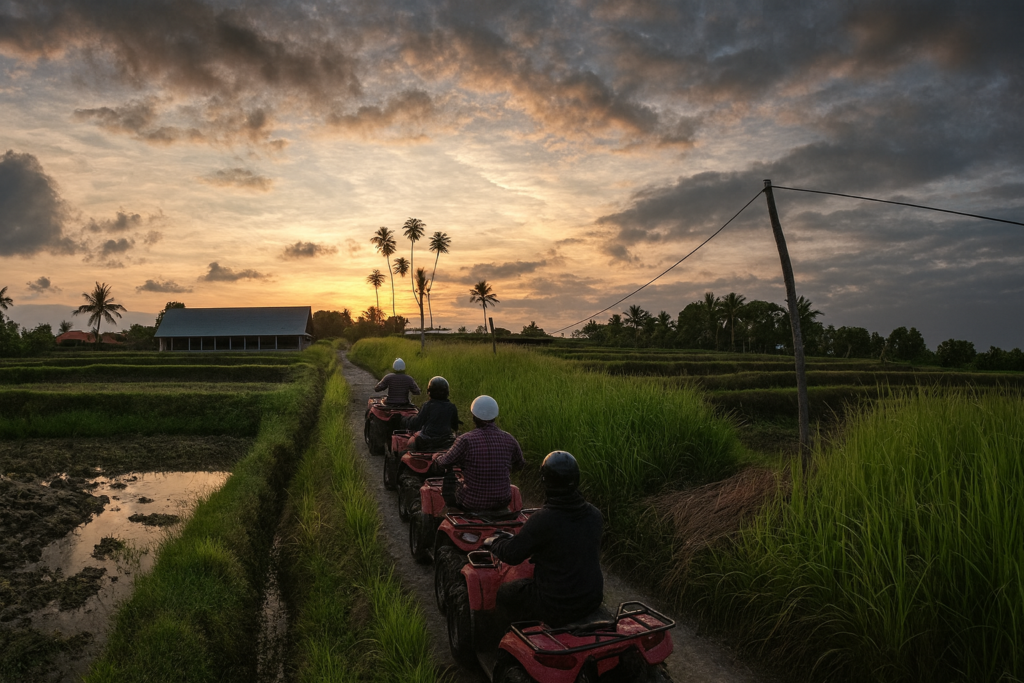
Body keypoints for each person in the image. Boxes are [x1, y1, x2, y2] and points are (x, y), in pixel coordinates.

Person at [485, 451, 604, 628]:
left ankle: (506, 641)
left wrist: (494, 542)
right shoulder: (595, 515)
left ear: (545, 482)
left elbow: (512, 555)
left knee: (505, 592)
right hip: (591, 599)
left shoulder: (542, 520)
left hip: (555, 605)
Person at [432, 395, 524, 511]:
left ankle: (447, 512)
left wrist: (437, 458)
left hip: (472, 503)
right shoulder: (509, 439)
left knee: (451, 489)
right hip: (503, 500)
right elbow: (520, 464)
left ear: (474, 417)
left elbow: (445, 462)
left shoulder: (465, 440)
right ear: (494, 416)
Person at [402, 376, 459, 451]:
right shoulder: (452, 407)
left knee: (409, 446)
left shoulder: (427, 405)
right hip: (445, 441)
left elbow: (418, 423)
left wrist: (407, 420)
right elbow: (455, 426)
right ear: (447, 392)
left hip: (427, 440)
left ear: (429, 392)